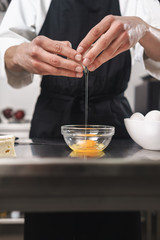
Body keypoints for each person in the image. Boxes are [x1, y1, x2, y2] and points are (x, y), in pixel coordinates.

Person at [0, 0, 160, 239]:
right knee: (49, 226)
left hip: (113, 125)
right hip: (51, 123)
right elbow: (6, 43)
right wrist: (18, 54)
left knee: (116, 225)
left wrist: (144, 30)